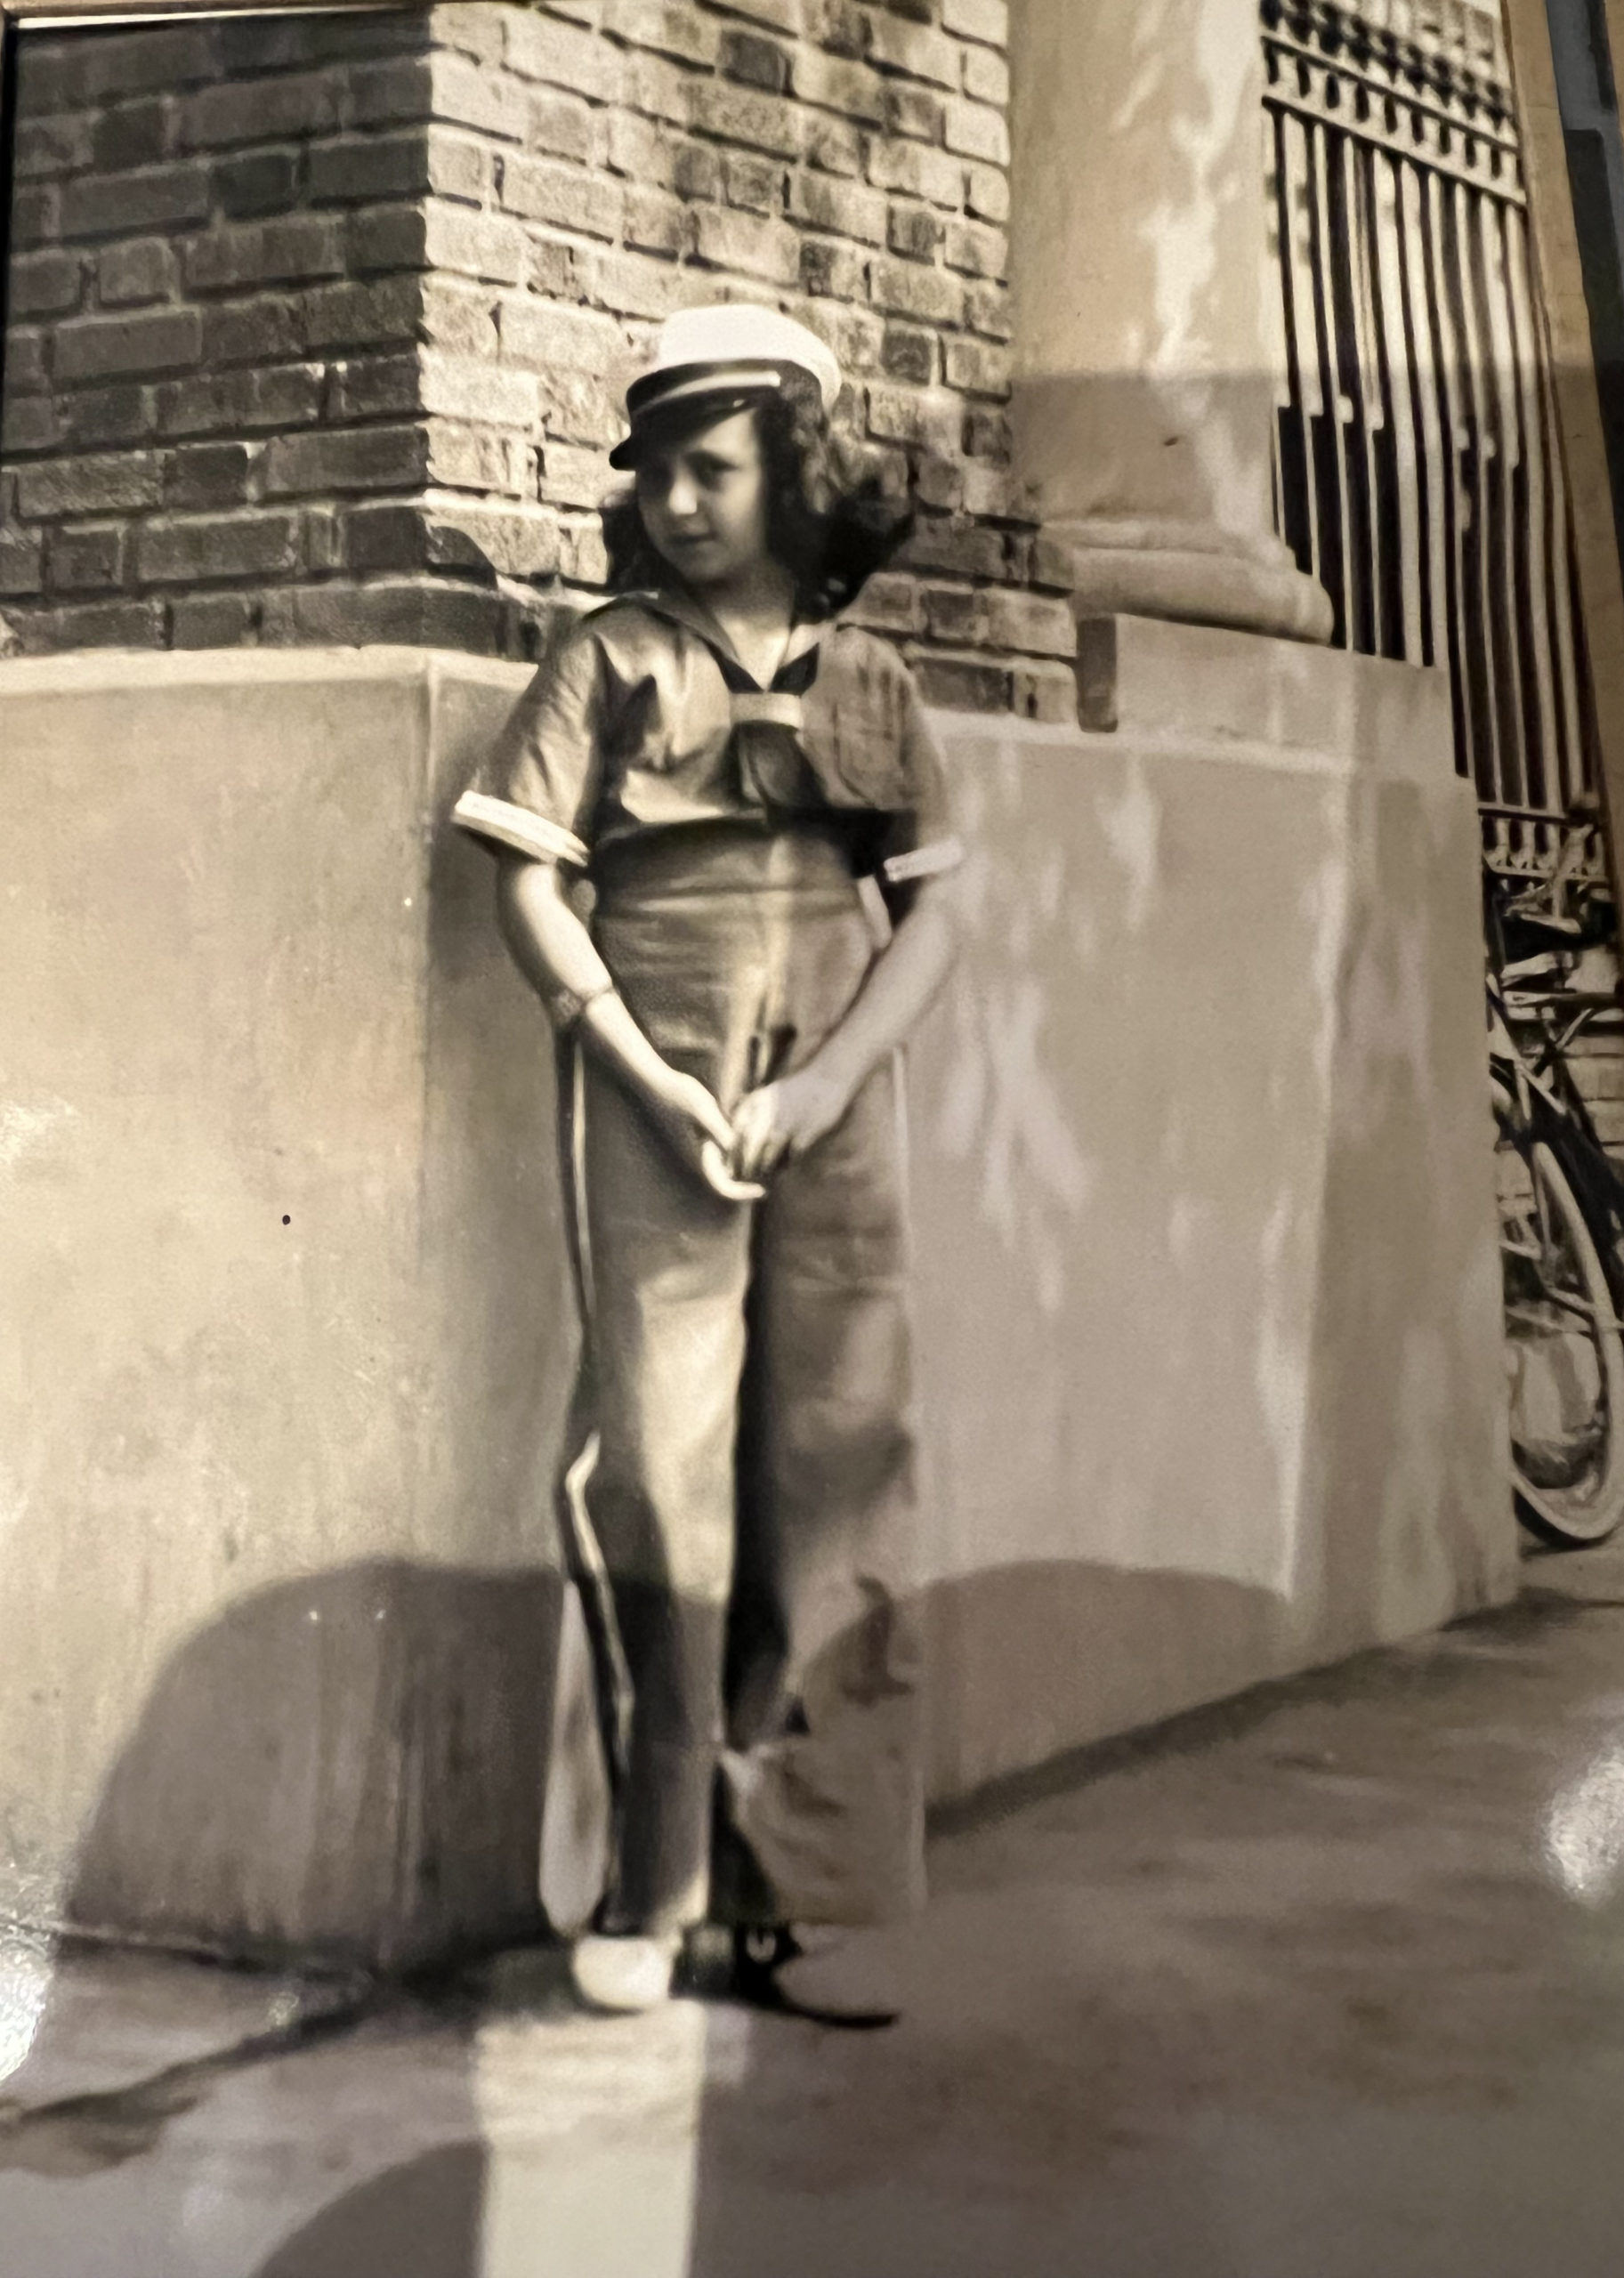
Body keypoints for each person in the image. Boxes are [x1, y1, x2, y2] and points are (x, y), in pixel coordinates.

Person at [451, 303, 964, 2026]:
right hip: (649, 1062)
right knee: (658, 1465)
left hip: (831, 1084)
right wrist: (639, 1063)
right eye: (657, 470)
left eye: (715, 465)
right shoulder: (612, 659)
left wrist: (825, 1087)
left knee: (837, 1458)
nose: (680, 499)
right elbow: (529, 880)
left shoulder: (877, 683)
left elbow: (938, 915)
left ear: (795, 478)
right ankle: (649, 1881)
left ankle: (791, 1890)